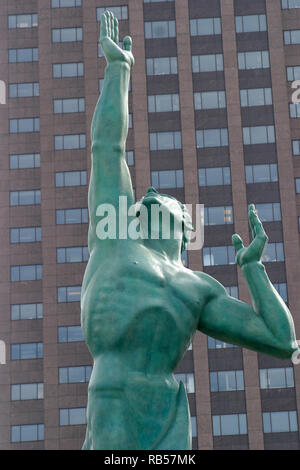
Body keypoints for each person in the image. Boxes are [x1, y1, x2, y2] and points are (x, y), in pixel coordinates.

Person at [81, 11, 298, 450]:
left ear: (185, 223)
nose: (150, 190)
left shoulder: (199, 289)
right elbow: (107, 147)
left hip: (166, 416)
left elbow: (282, 340)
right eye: (145, 196)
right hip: (111, 407)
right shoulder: (115, 239)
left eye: (165, 197)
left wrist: (253, 269)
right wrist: (119, 69)